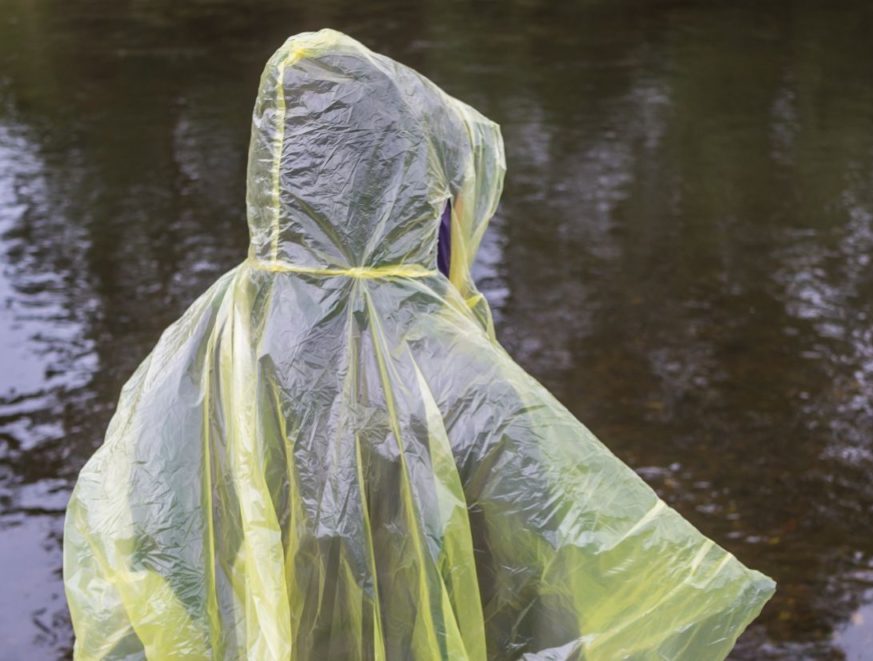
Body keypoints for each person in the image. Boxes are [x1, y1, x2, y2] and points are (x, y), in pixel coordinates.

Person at [63, 29, 774, 660]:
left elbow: (144, 554)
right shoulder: (471, 384)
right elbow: (549, 603)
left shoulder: (199, 355)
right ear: (415, 199)